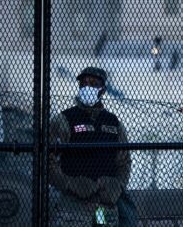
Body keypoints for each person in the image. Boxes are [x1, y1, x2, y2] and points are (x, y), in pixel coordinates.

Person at [49, 67, 131, 226]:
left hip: (104, 208)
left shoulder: (114, 123)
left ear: (103, 90)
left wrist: (117, 186)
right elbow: (48, 162)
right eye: (84, 83)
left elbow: (124, 161)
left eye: (93, 84)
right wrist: (70, 184)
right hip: (73, 207)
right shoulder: (64, 120)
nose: (87, 87)